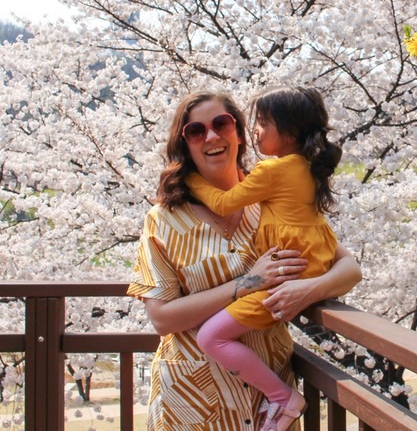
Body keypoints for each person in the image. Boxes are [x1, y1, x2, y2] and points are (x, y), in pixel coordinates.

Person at [127, 91, 361, 431]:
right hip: (193, 404)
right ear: (185, 144)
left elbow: (349, 268)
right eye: (195, 131)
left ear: (238, 131)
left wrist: (308, 290)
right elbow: (162, 319)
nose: (211, 136)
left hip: (269, 409)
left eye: (221, 123)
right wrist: (247, 284)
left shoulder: (275, 200)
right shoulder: (163, 220)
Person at [185, 86, 342, 431]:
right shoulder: (304, 166)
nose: (254, 131)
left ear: (288, 132)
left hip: (287, 276)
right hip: (308, 263)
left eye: (263, 123)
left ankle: (282, 397)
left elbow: (226, 203)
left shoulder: (274, 171)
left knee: (212, 337)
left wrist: (192, 180)